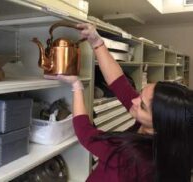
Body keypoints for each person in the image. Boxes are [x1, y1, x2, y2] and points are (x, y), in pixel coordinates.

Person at [44, 23, 193, 182]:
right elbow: (119, 84)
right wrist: (97, 43)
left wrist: (76, 86)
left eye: (141, 106)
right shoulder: (166, 137)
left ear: (160, 125)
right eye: (140, 94)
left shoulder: (134, 157)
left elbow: (86, 134)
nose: (133, 100)